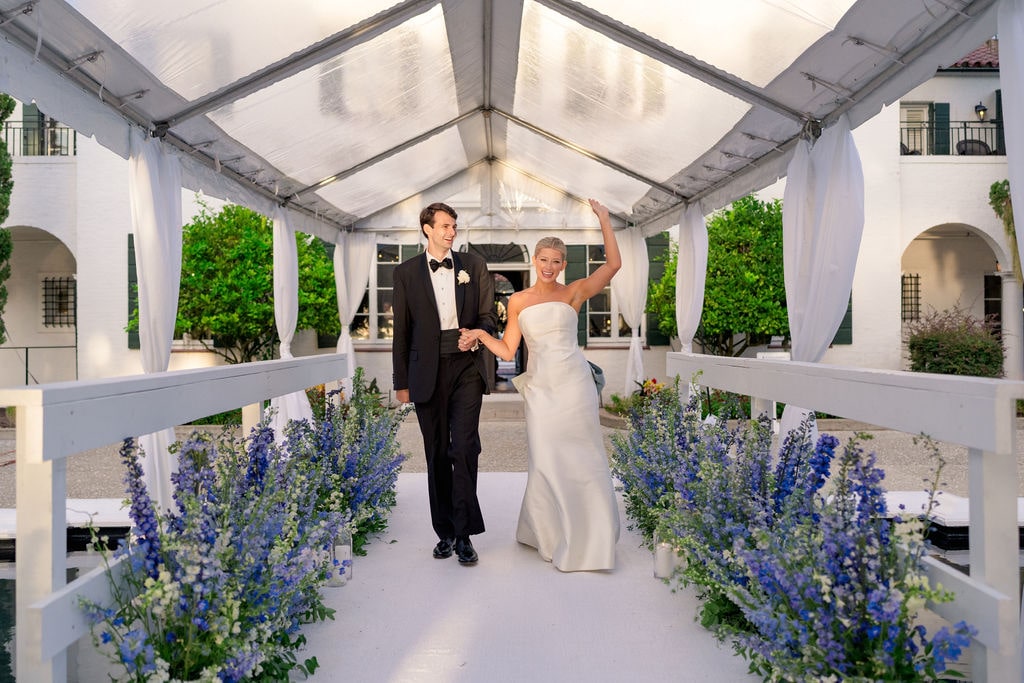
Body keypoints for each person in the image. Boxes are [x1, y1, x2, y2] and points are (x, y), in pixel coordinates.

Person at [460, 198, 620, 572]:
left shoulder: (574, 292)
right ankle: (550, 534)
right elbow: (508, 349)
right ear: (535, 260)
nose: (549, 266)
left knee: (585, 459)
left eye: (556, 261)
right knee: (546, 459)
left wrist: (605, 220)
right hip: (542, 391)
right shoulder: (517, 301)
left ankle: (590, 539)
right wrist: (482, 335)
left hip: (576, 386)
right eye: (544, 259)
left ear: (563, 264)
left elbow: (613, 265)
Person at [392, 202, 497, 566]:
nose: (452, 232)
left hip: (467, 365)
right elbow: (401, 333)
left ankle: (466, 534)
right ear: (427, 228)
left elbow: (489, 314)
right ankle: (446, 532)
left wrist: (478, 333)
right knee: (436, 451)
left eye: (454, 226)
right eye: (445, 226)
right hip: (426, 371)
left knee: (464, 447)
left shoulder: (475, 266)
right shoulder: (404, 273)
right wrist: (400, 382)